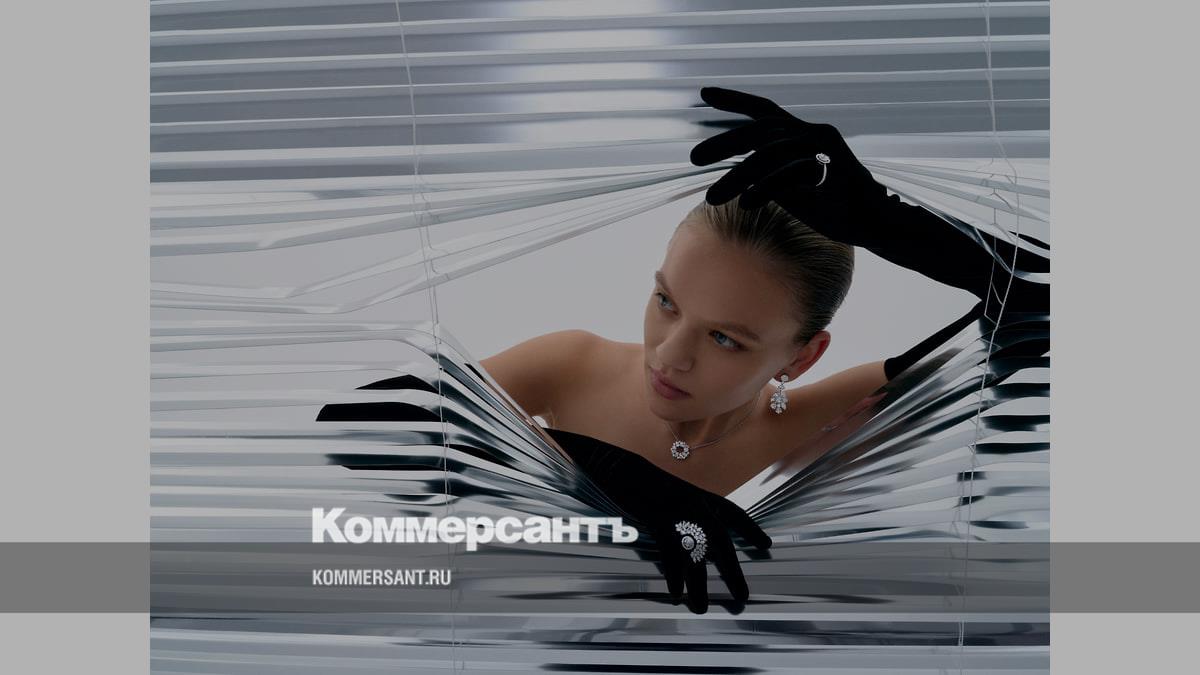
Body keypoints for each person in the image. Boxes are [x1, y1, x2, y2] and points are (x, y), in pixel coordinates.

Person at [319, 87, 1049, 615]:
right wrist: (608, 469)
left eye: (725, 338)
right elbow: (360, 425)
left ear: (801, 358)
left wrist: (889, 222)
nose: (668, 355)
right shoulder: (571, 369)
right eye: (666, 301)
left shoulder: (839, 419)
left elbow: (1046, 315)